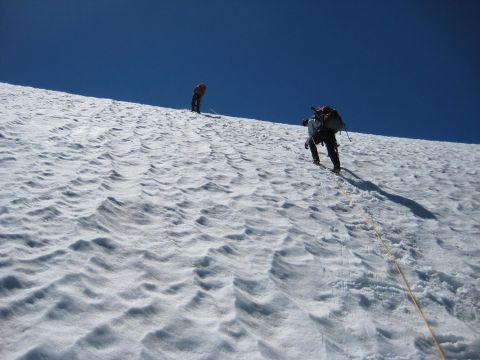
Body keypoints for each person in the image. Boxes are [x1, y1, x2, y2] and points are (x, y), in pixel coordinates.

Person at [303, 105, 341, 173]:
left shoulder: (310, 121)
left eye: (305, 125)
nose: (306, 126)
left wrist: (306, 143)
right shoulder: (321, 117)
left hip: (323, 132)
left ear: (306, 122)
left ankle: (316, 159)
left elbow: (311, 134)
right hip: (331, 133)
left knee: (312, 142)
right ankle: (337, 166)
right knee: (331, 149)